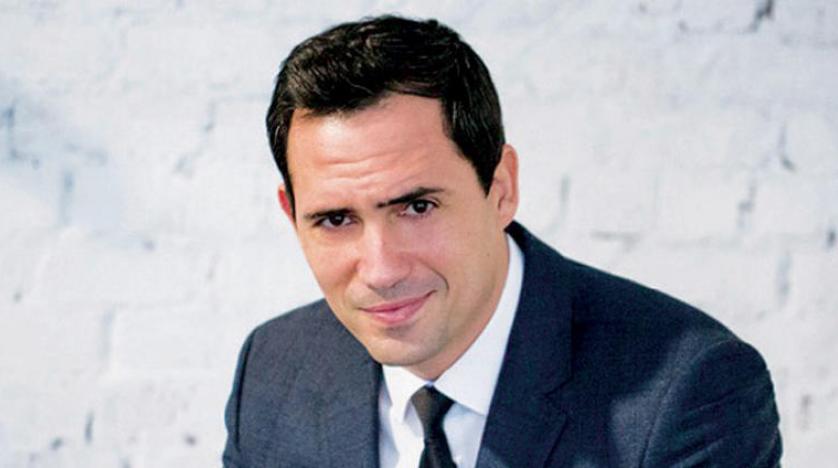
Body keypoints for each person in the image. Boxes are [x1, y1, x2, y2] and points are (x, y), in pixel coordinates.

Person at [223, 15, 782, 467]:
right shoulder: (273, 368)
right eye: (335, 220)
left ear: (501, 189)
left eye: (417, 207)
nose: (381, 269)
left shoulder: (691, 391)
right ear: (291, 215)